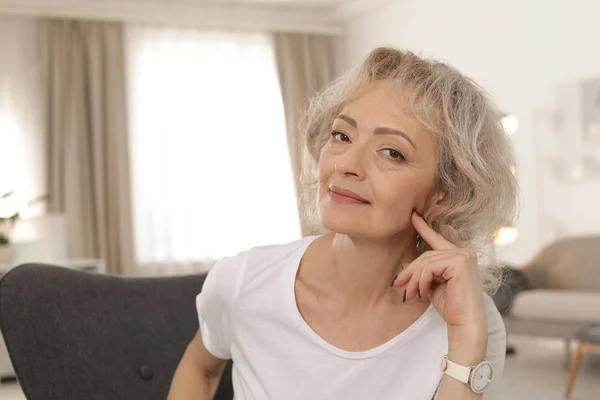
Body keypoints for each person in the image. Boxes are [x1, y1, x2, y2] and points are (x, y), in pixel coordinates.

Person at [168, 47, 518, 400]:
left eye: (391, 152)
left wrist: (466, 336)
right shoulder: (243, 281)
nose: (346, 163)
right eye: (342, 136)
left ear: (444, 191)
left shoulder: (472, 321)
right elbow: (200, 369)